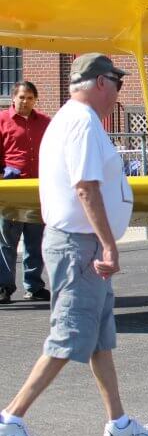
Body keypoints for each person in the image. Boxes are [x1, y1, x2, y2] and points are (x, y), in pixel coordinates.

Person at [0, 54, 148, 436]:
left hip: (75, 243)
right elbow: (86, 187)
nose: (118, 92)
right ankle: (11, 417)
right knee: (69, 336)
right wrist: (108, 244)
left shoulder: (66, 119)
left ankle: (119, 424)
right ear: (100, 82)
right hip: (80, 246)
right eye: (117, 83)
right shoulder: (84, 122)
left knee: (98, 339)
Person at [0, 82, 51, 304]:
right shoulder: (2, 121)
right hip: (11, 190)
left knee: (35, 239)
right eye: (22, 97)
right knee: (7, 240)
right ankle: (4, 286)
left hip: (37, 190)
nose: (25, 101)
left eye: (30, 97)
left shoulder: (46, 123)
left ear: (35, 99)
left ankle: (34, 285)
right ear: (13, 98)